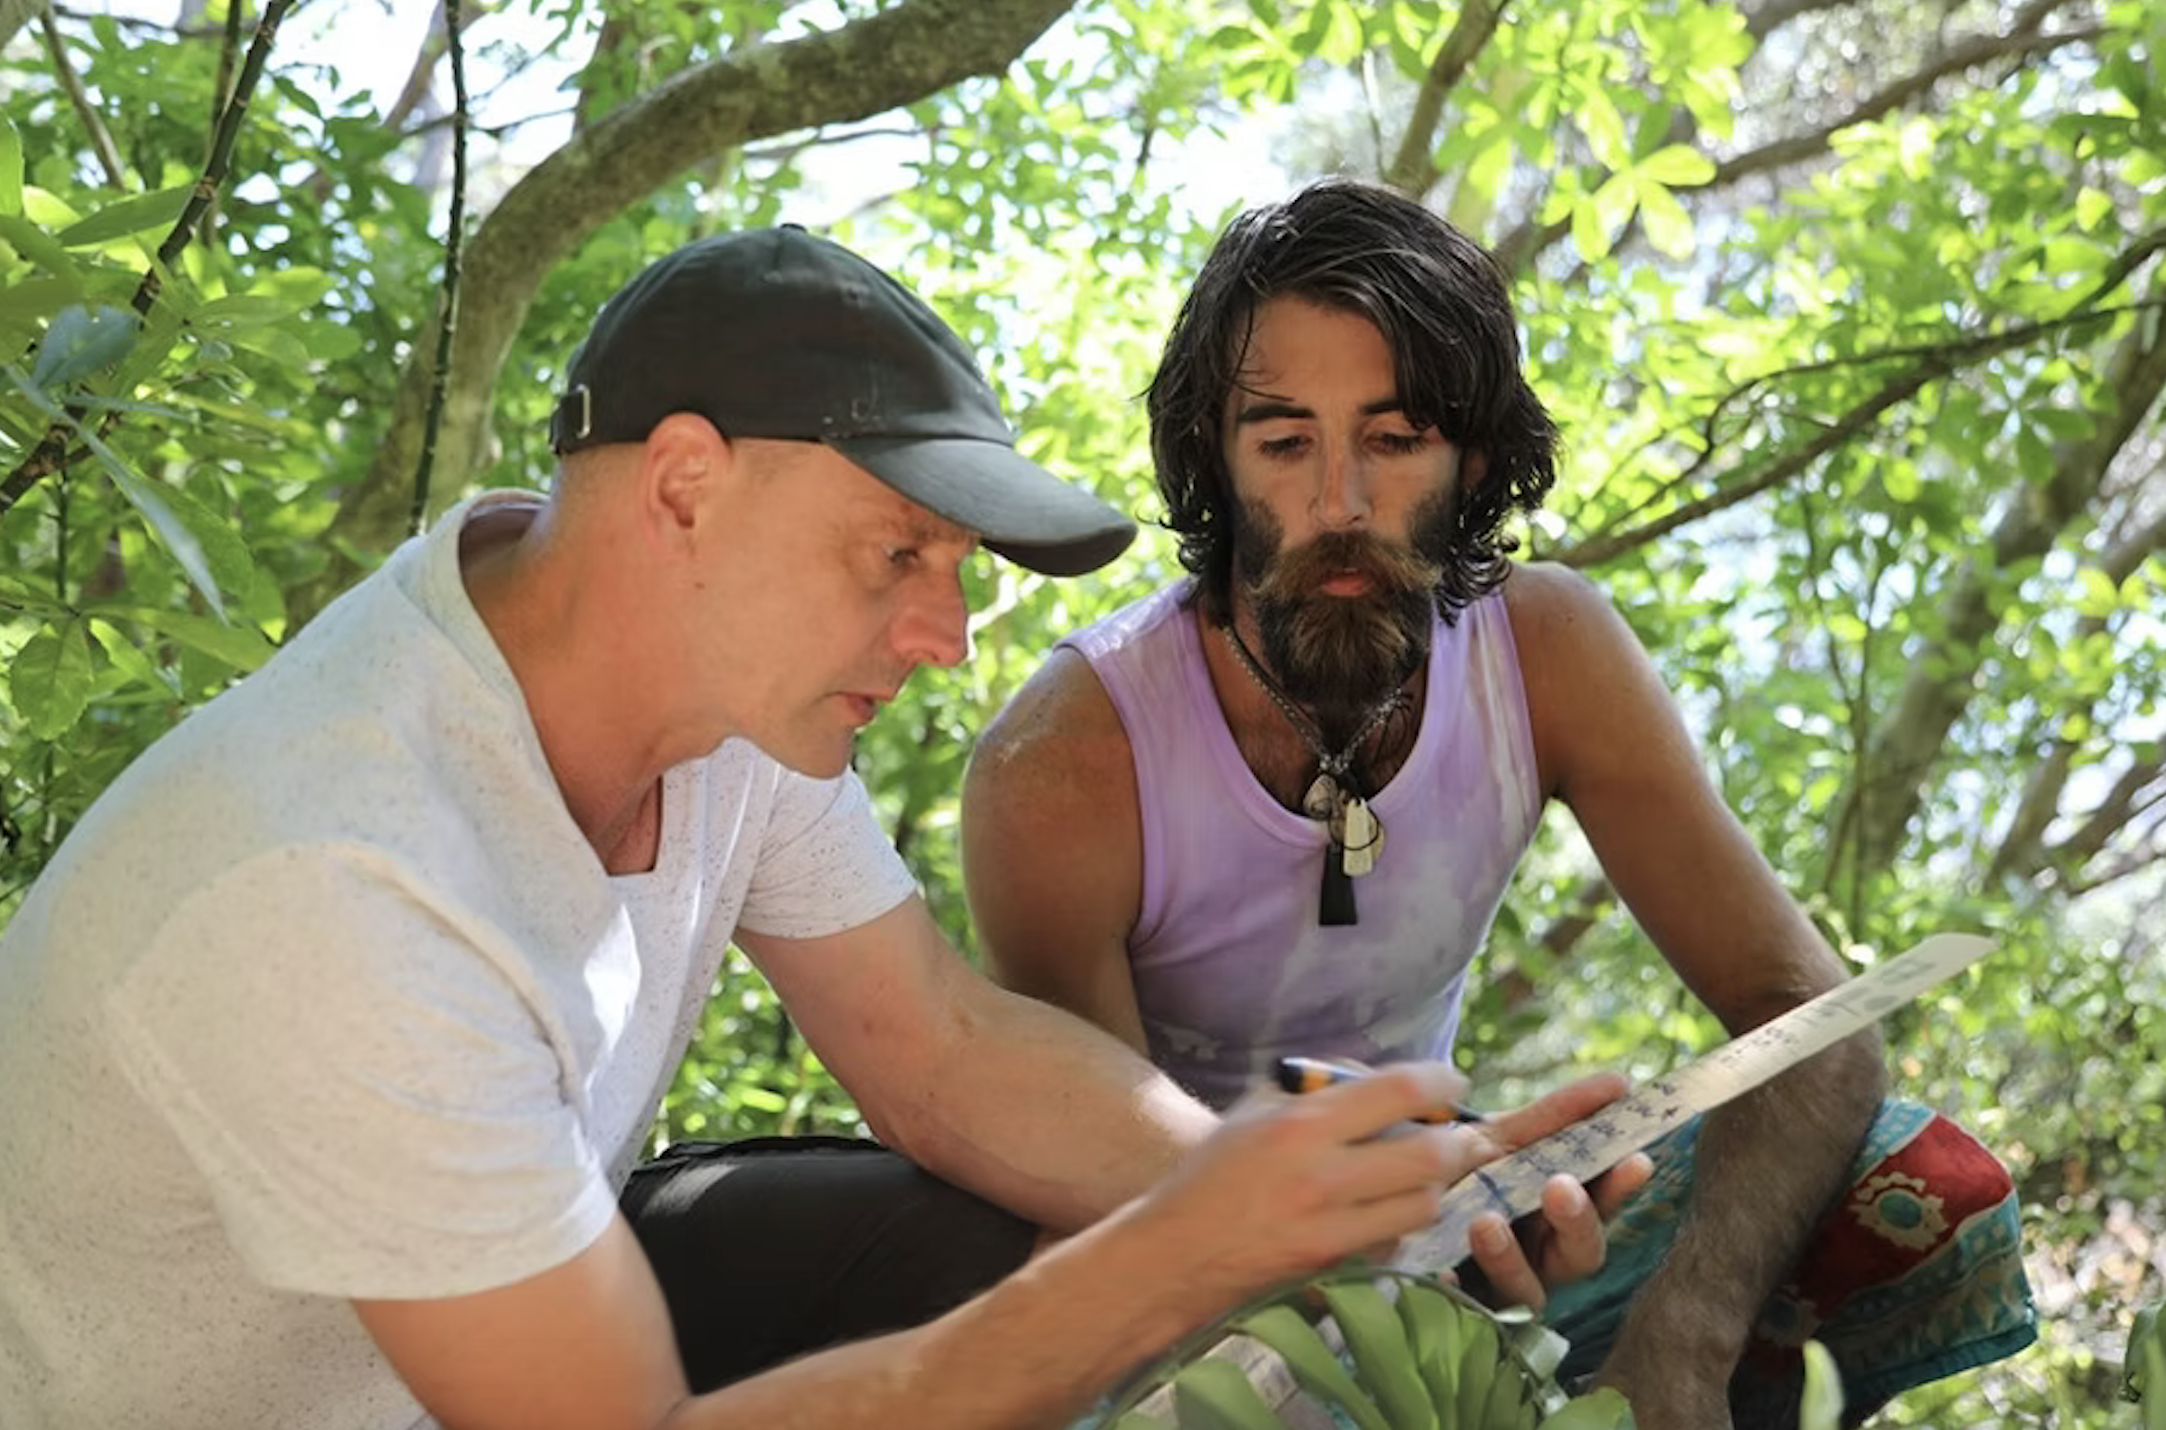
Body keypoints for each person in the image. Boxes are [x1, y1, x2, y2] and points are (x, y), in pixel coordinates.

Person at [0, 224, 1629, 1430]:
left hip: (450, 1344)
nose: (949, 638)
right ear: (689, 486)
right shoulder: (336, 884)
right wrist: (1178, 1258)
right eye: (899, 556)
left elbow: (937, 1050)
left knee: (976, 1245)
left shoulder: (703, 693)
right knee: (1076, 1305)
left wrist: (1304, 1199)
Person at [961, 179, 2037, 1429]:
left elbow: (1809, 1016)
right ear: (1216, 453)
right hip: (1185, 1292)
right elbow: (1100, 1212)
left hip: (1466, 1212)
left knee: (1923, 1190)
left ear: (1471, 456)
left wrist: (1680, 1339)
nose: (1341, 502)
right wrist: (1352, 1289)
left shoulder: (1546, 649)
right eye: (1286, 439)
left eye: (1396, 435)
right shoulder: (1067, 761)